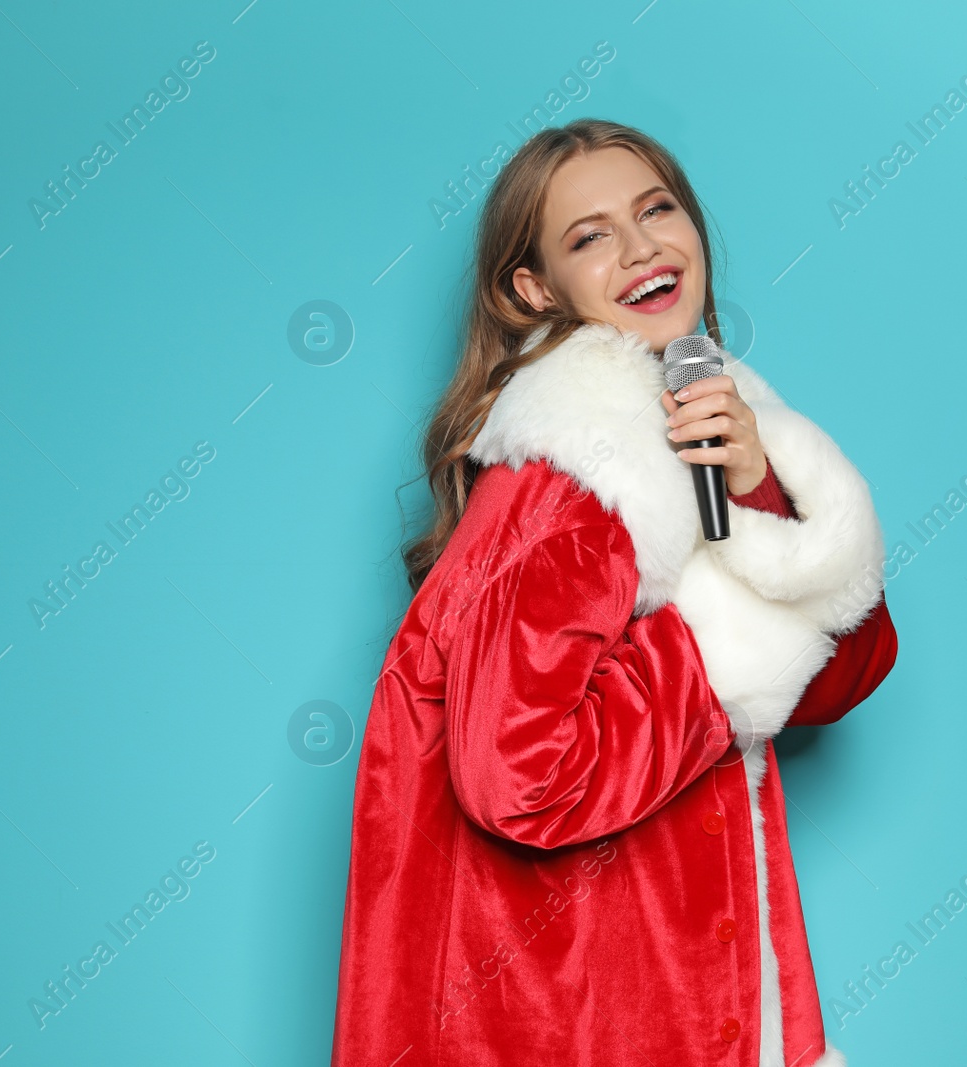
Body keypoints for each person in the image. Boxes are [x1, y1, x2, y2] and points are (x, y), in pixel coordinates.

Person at [330, 117, 897, 1067]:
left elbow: (844, 670)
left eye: (657, 210)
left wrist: (756, 481)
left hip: (689, 981)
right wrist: (719, 658)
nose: (642, 249)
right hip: (595, 1011)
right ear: (534, 288)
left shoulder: (706, 422)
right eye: (590, 236)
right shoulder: (581, 475)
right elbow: (517, 779)